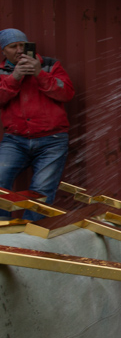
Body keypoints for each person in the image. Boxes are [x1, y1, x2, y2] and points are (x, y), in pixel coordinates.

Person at [0, 28, 75, 223]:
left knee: (42, 190)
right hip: (15, 140)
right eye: (12, 46)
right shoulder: (2, 72)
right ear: (3, 51)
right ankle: (3, 230)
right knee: (0, 181)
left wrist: (39, 73)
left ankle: (31, 234)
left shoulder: (49, 65)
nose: (19, 50)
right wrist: (14, 77)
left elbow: (66, 93)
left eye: (22, 46)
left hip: (52, 140)